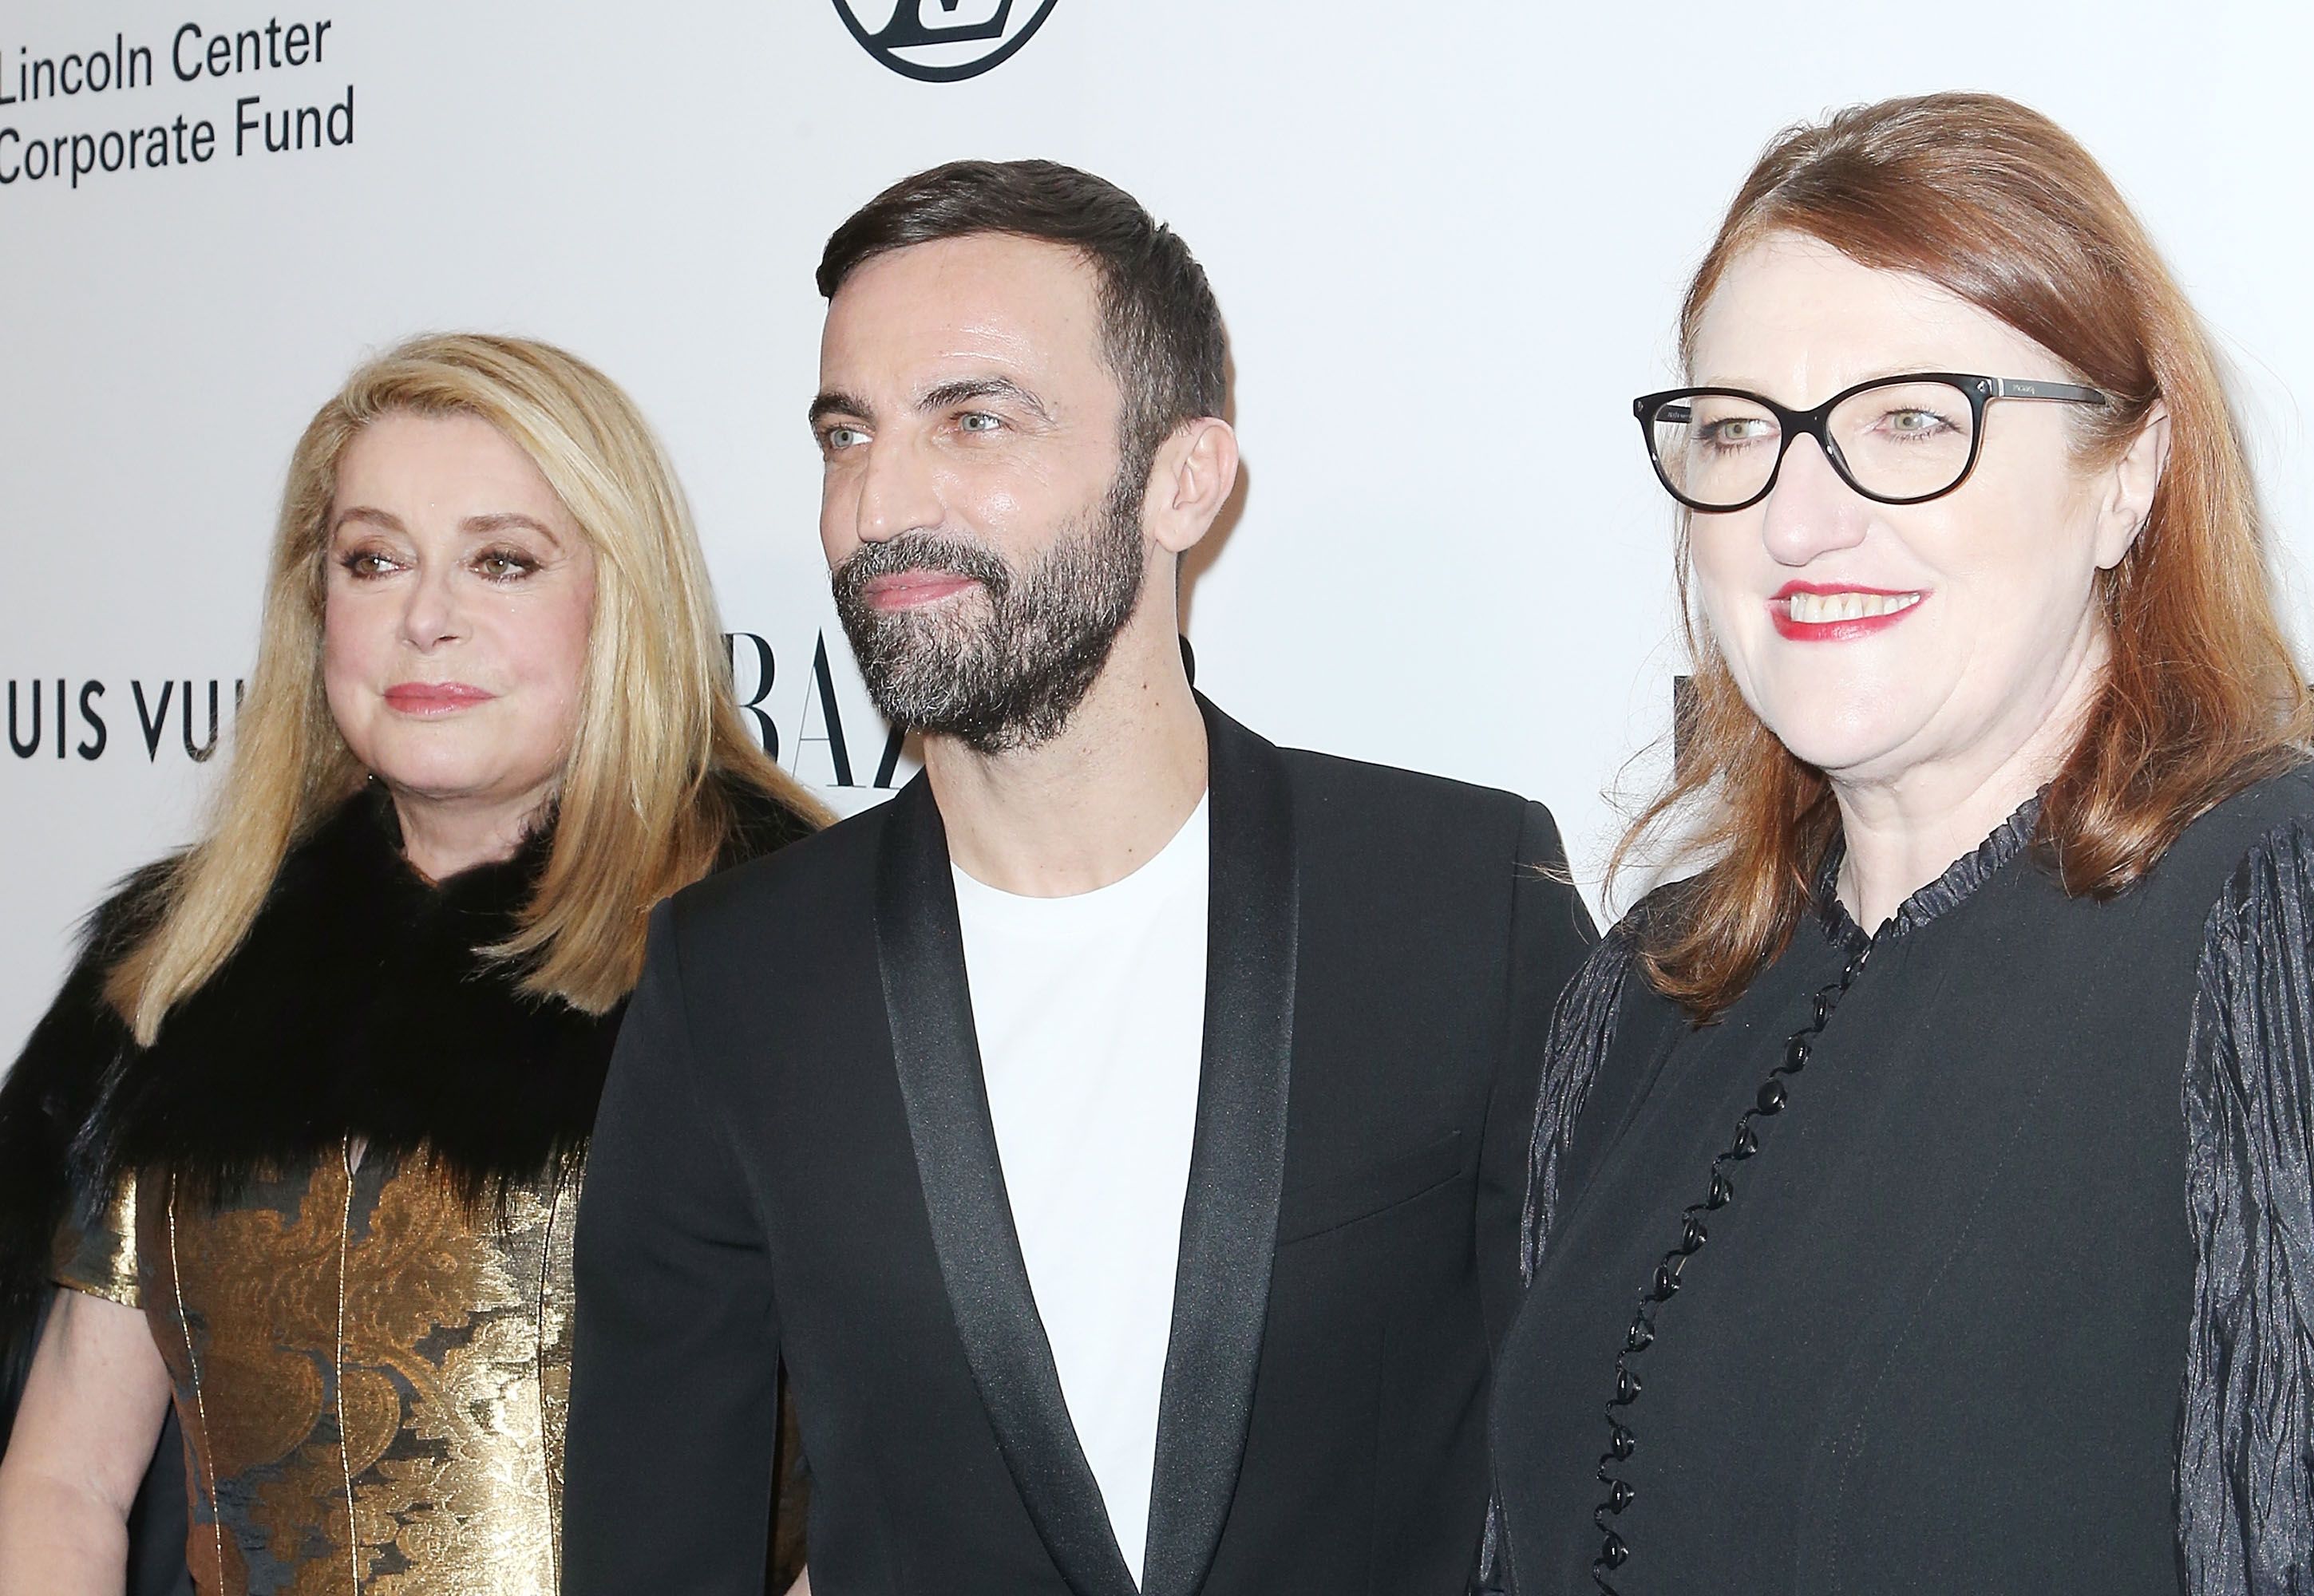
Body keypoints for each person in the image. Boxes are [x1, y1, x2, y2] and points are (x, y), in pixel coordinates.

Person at [560, 159, 1592, 1596]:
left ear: (1184, 479)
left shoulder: (1460, 902)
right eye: (845, 435)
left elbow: (1598, 1469)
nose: (879, 503)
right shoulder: (736, 980)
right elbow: (650, 1546)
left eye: (974, 418)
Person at [1480, 93, 2314, 1596]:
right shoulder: (1648, 983)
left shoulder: (2282, 908)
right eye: (1737, 430)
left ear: (2128, 476)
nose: (1801, 515)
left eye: (1913, 420)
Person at [0, 334, 827, 1596]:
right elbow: (64, 1476)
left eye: (503, 561)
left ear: (623, 597)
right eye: (373, 561)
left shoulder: (783, 956)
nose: (425, 618)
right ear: (314, 607)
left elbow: (906, 1476)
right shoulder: (191, 964)